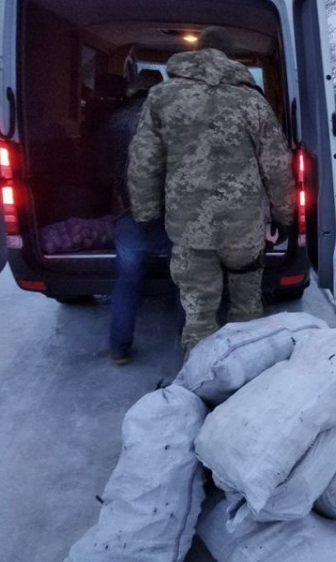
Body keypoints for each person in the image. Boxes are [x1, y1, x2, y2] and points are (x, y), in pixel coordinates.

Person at [127, 26, 295, 355]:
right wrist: (284, 214)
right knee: (247, 311)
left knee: (200, 316)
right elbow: (276, 166)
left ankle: (201, 386)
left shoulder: (162, 97)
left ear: (195, 53)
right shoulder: (252, 101)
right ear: (230, 57)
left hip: (189, 229)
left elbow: (143, 161)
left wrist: (146, 214)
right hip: (244, 232)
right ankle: (246, 384)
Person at [105, 69, 172, 365]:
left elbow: (100, 170)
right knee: (184, 278)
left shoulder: (114, 121)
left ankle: (119, 348)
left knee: (127, 280)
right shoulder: (170, 120)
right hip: (171, 215)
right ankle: (186, 344)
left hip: (130, 214)